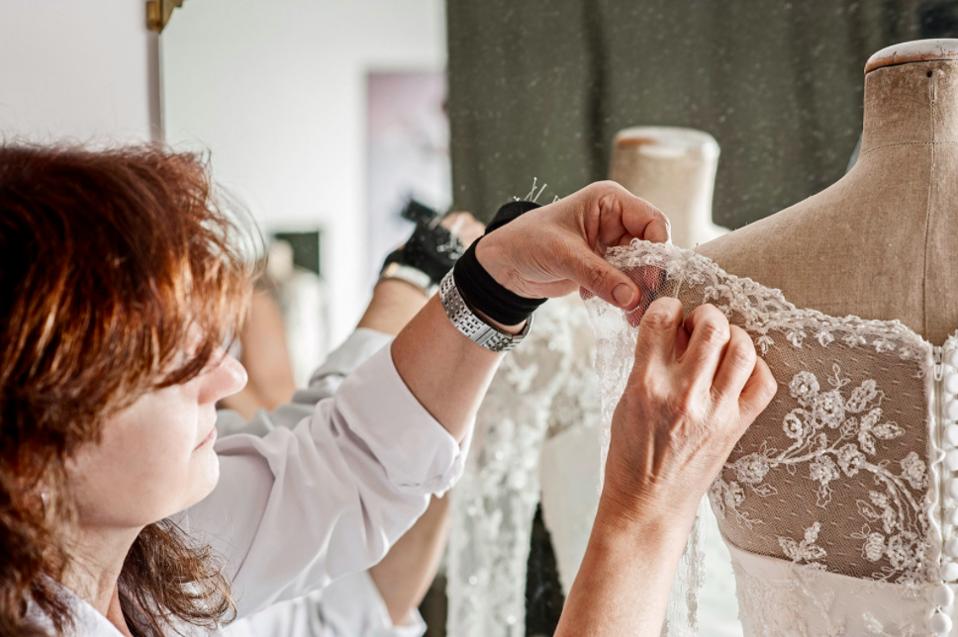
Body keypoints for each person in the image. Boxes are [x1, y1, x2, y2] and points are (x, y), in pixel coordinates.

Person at [0, 144, 775, 637]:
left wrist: (495, 277)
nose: (230, 378)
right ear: (31, 455)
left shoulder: (137, 548)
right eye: (170, 366)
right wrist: (642, 514)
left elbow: (343, 463)